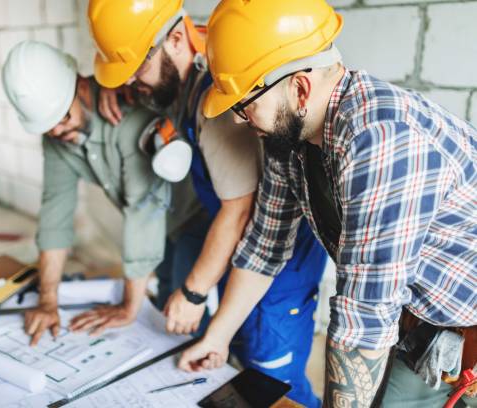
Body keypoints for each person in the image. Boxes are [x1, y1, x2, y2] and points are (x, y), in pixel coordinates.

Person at [177, 1, 477, 407]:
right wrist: (216, 337)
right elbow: (265, 247)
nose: (236, 120)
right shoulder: (291, 143)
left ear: (300, 88)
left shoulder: (382, 140)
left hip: (463, 325)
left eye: (244, 105)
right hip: (419, 326)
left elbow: (364, 317)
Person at [87, 2, 328, 406]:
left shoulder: (213, 103)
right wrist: (113, 88)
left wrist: (193, 292)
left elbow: (239, 212)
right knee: (236, 358)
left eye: (134, 69)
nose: (131, 83)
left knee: (272, 382)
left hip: (278, 265)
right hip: (245, 253)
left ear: (177, 39)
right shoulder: (180, 73)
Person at [2, 40, 204, 345]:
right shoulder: (58, 136)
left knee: (187, 307)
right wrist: (47, 301)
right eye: (47, 127)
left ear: (81, 86)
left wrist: (128, 307)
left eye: (63, 118)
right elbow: (55, 214)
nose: (57, 132)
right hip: (159, 229)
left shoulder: (127, 116)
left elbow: (143, 211)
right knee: (165, 302)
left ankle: (221, 365)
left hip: (193, 215)